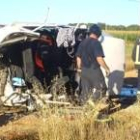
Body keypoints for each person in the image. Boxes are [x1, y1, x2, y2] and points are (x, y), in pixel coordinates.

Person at [76, 24, 110, 105]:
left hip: (83, 70)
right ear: (98, 33)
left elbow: (78, 57)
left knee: (86, 91)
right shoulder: (96, 43)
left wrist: (79, 68)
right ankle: (90, 104)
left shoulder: (82, 42)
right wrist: (106, 69)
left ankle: (82, 109)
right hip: (93, 69)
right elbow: (99, 58)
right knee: (102, 88)